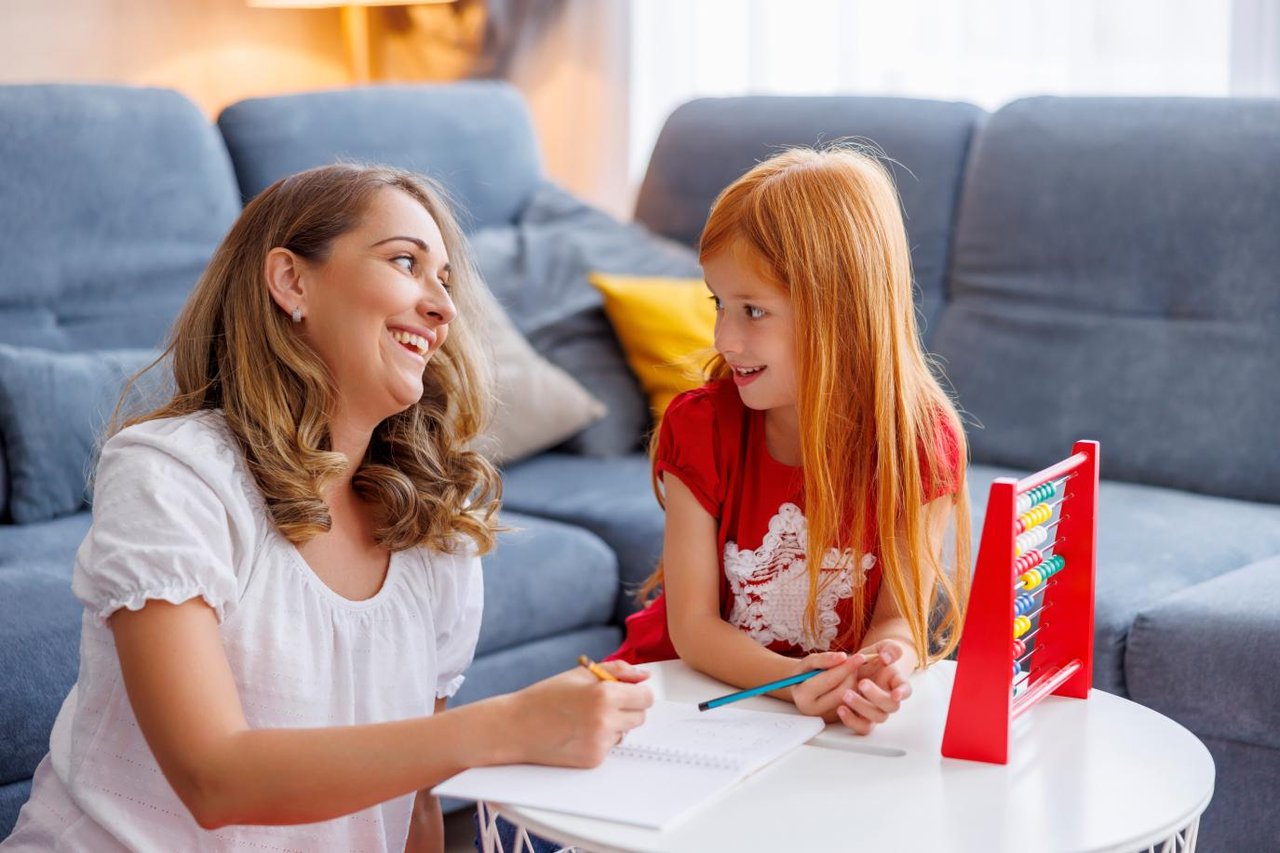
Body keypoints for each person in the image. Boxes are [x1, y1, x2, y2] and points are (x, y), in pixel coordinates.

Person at [2, 164, 652, 852]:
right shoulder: (173, 471)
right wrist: (509, 724)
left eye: (447, 281)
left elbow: (413, 804)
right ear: (291, 281)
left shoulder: (434, 519)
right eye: (406, 261)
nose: (442, 308)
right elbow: (213, 777)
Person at [608, 146, 971, 736]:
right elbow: (693, 628)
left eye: (753, 310)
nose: (724, 337)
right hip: (673, 693)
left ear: (841, 312)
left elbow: (898, 622)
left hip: (804, 719)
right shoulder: (699, 426)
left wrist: (882, 671)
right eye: (719, 304)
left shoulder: (919, 444)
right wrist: (794, 682)